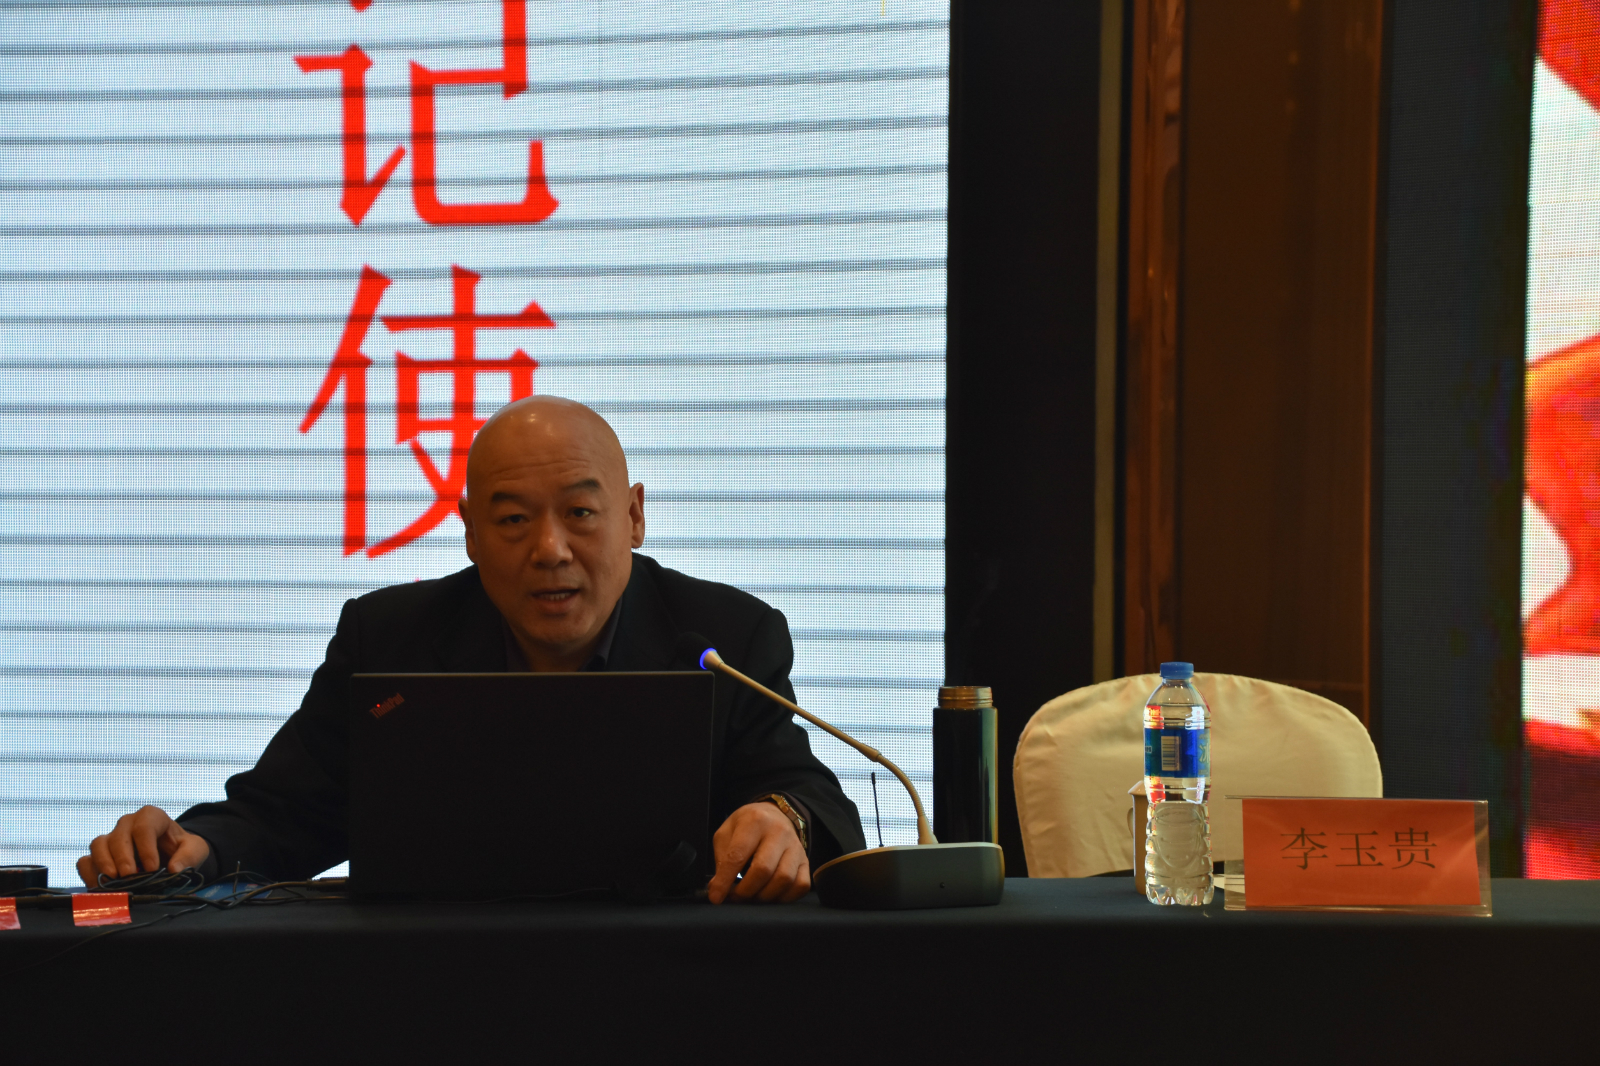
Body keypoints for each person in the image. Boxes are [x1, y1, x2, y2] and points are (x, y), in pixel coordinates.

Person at [77, 396, 865, 903]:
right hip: (433, 991)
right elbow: (283, 810)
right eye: (514, 520)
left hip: (665, 993)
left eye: (580, 514)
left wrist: (782, 819)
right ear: (471, 534)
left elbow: (811, 797)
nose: (549, 549)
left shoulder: (723, 637)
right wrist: (194, 847)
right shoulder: (390, 639)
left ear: (633, 517)